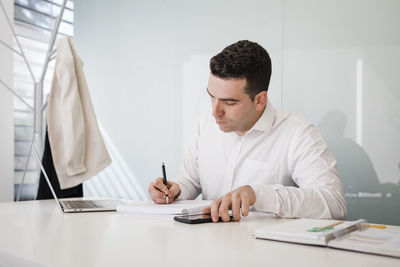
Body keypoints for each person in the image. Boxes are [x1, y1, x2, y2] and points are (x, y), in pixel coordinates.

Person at [148, 40, 347, 222]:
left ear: (260, 100)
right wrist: (175, 190)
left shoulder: (299, 134)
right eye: (212, 97)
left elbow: (334, 204)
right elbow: (190, 180)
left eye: (229, 102)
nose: (215, 112)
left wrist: (258, 195)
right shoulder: (205, 124)